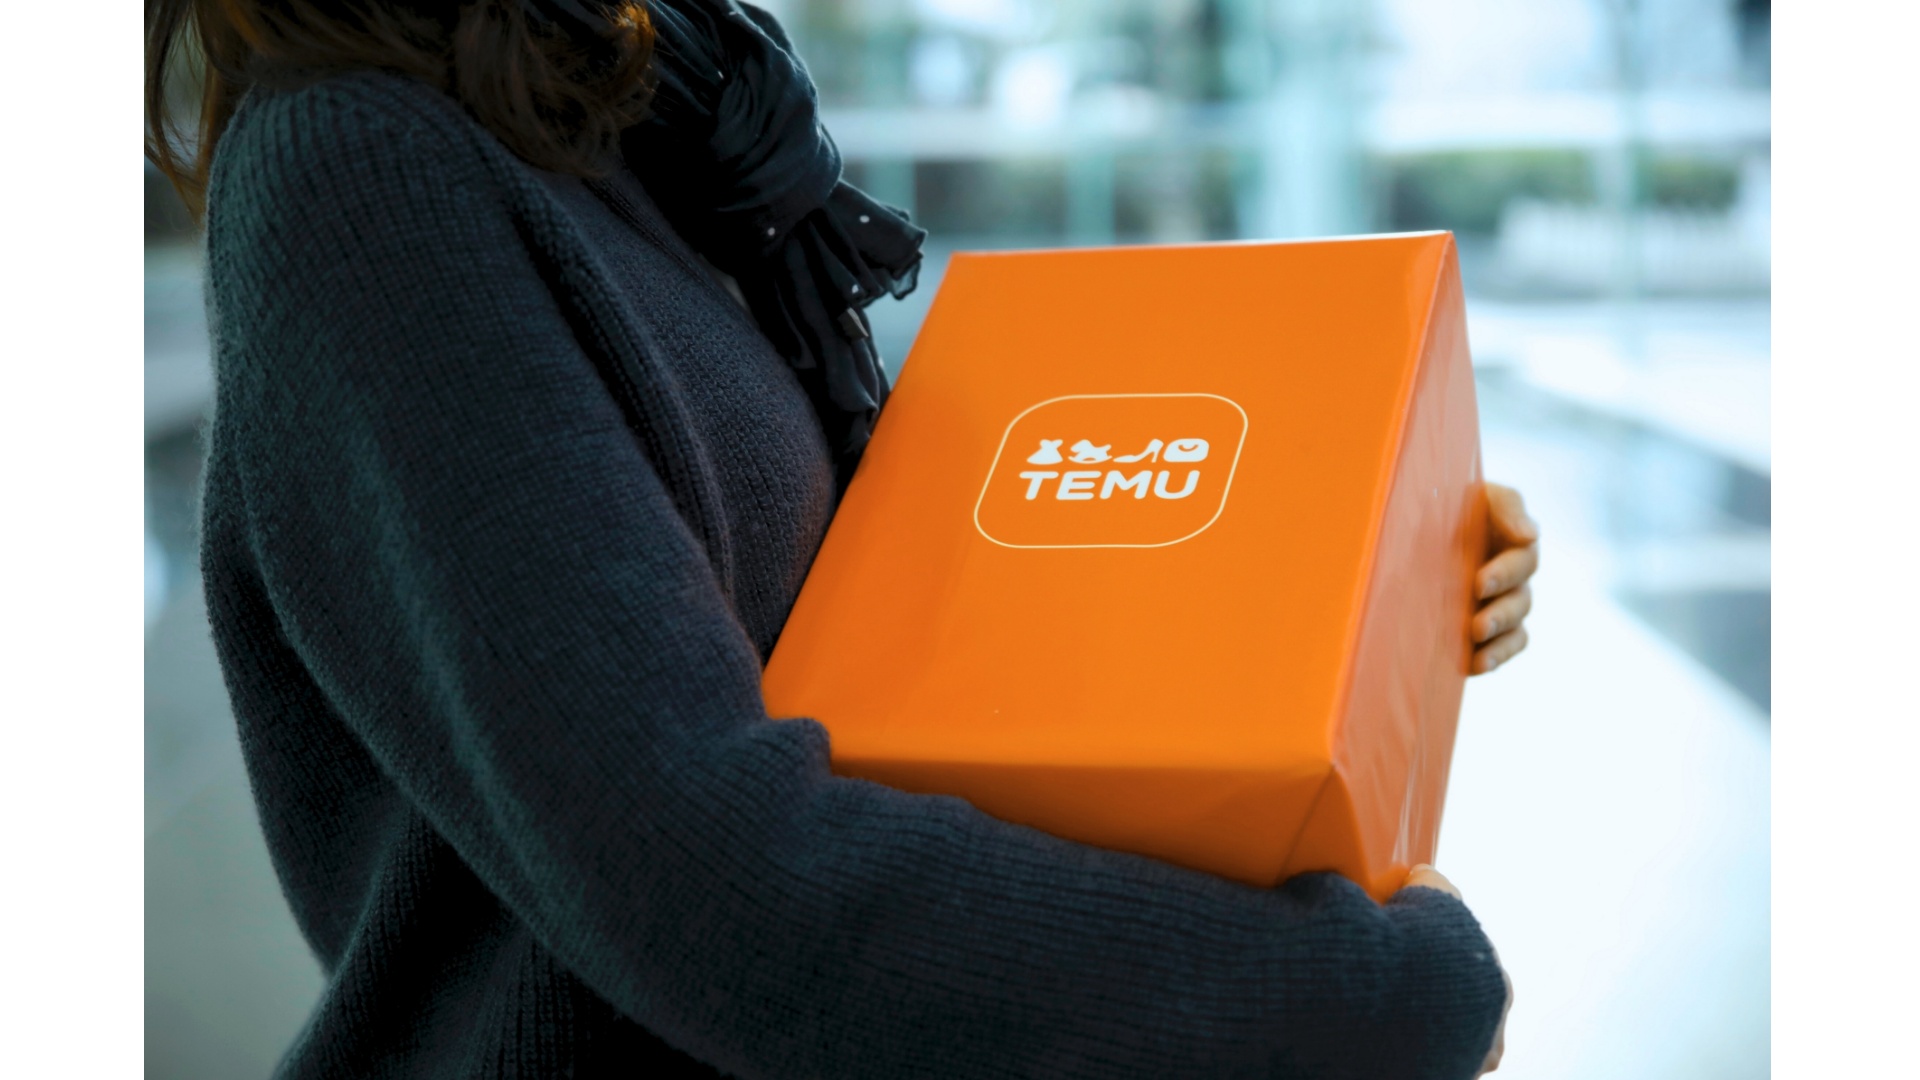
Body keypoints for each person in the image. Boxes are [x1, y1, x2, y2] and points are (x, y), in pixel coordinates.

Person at [145, 1, 1537, 1076]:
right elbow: (710, 879)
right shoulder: (361, 170)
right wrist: (1364, 1005)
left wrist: (1378, 577)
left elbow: (880, 635)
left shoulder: (640, 122)